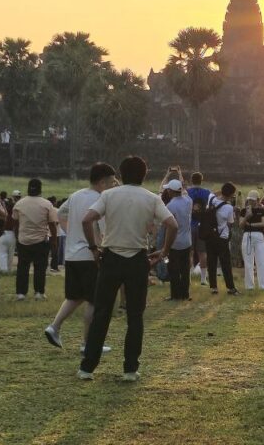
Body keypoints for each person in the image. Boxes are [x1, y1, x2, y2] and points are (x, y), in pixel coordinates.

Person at [77, 155, 177, 382]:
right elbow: (172, 224)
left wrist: (94, 248)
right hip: (137, 260)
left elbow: (87, 220)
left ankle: (87, 368)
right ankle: (130, 369)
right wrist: (164, 251)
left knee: (102, 313)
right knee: (135, 315)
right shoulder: (151, 198)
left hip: (111, 257)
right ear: (145, 174)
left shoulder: (109, 195)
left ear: (121, 175)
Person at [44, 162, 117, 350]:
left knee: (75, 297)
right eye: (111, 182)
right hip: (90, 255)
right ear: (102, 182)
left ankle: (54, 327)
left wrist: (71, 233)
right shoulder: (102, 199)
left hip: (72, 255)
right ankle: (88, 343)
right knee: (94, 300)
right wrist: (102, 247)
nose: (113, 186)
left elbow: (60, 213)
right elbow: (103, 229)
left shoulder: (76, 195)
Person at [12, 178, 57, 301]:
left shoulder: (19, 203)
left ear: (28, 188)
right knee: (40, 268)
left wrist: (17, 235)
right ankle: (39, 292)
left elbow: (15, 222)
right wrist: (54, 240)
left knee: (22, 267)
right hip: (40, 241)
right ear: (40, 189)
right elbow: (52, 224)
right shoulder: (46, 204)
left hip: (23, 240)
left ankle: (21, 293)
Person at [205, 182, 239, 295]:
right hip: (222, 237)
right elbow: (230, 222)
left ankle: (213, 287)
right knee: (225, 264)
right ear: (230, 195)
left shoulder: (211, 199)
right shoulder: (228, 207)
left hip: (209, 236)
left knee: (211, 262)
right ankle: (230, 288)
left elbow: (213, 193)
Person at [163, 179, 192, 301]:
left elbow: (170, 225)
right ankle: (185, 294)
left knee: (173, 269)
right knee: (185, 269)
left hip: (175, 242)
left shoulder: (170, 205)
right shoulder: (188, 201)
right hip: (187, 240)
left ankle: (175, 294)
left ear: (170, 191)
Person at [239, 190, 264, 290]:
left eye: (253, 200)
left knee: (261, 261)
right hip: (247, 235)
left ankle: (263, 286)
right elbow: (241, 225)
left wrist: (251, 224)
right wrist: (247, 216)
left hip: (259, 236)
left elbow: (263, 223)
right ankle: (249, 286)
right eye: (250, 200)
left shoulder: (262, 210)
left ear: (257, 199)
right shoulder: (244, 210)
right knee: (248, 263)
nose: (251, 201)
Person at [186, 171, 211, 287]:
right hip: (202, 226)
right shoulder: (207, 192)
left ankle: (189, 277)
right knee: (202, 253)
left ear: (191, 180)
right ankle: (203, 279)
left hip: (189, 224)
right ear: (202, 180)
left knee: (189, 252)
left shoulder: (187, 192)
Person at [0, 194, 16, 275]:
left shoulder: (3, 214)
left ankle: (3, 269)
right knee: (10, 254)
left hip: (3, 234)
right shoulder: (14, 216)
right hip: (12, 234)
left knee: (2, 253)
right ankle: (8, 269)